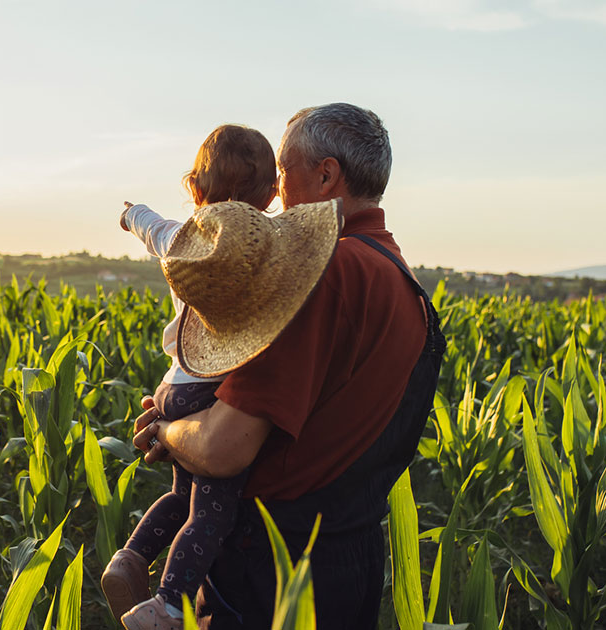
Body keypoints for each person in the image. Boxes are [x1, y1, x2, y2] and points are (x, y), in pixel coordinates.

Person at [131, 103, 446, 629]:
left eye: (282, 170)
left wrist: (168, 429)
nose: (273, 191)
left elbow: (223, 447)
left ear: (325, 175)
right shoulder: (399, 278)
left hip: (273, 570)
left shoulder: (324, 274)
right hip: (349, 561)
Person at [102, 124, 341, 630]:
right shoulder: (265, 251)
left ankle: (129, 557)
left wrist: (130, 215)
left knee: (178, 495)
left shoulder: (180, 243)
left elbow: (150, 225)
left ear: (194, 189)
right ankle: (167, 603)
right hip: (212, 395)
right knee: (211, 513)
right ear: (272, 194)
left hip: (172, 387)